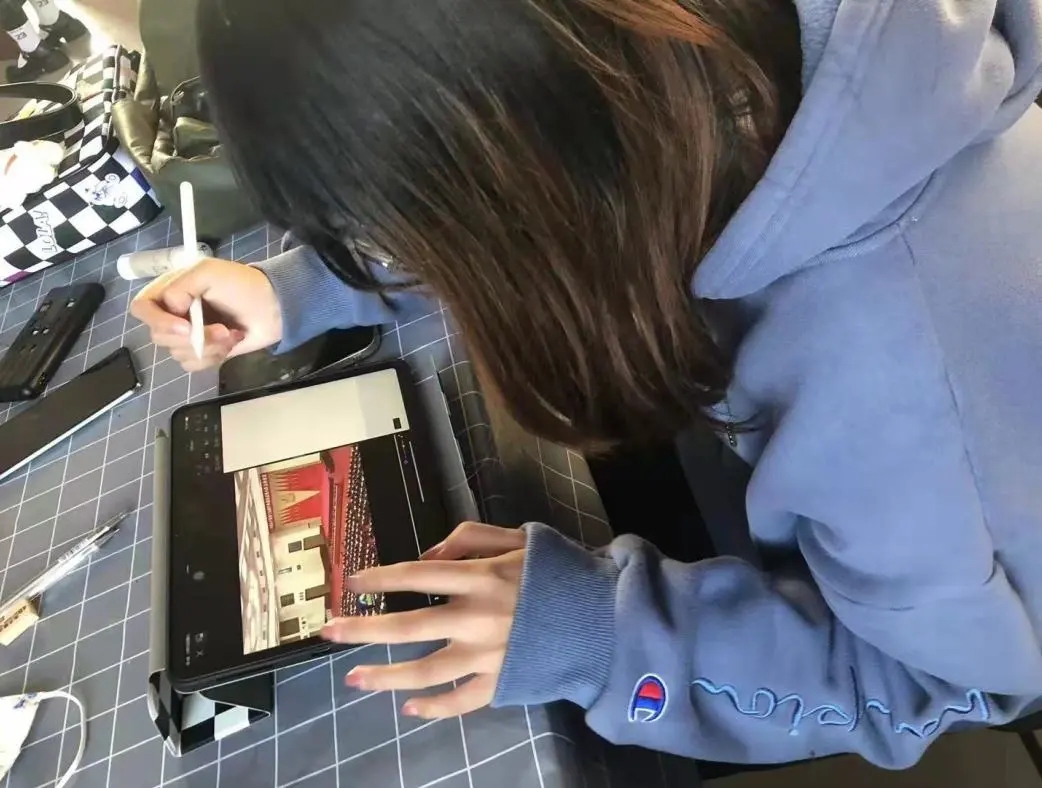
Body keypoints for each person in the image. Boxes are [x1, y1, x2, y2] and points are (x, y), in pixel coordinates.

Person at [130, 0, 1042, 770]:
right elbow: (570, 173)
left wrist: (605, 632)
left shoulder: (903, 396)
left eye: (409, 222)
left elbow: (934, 683)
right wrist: (301, 291)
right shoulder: (702, 72)